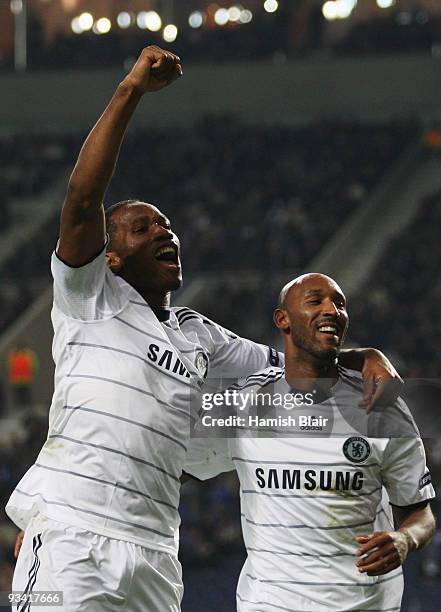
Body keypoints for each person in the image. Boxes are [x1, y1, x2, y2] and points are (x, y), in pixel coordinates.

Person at [7, 47, 402, 611]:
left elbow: (292, 368)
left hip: (156, 552)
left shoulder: (200, 336)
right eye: (143, 228)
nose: (165, 232)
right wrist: (130, 92)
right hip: (72, 533)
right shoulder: (88, 298)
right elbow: (81, 199)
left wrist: (362, 355)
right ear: (110, 257)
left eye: (168, 225)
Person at [185, 273, 436, 612]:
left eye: (340, 303)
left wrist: (404, 539)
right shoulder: (245, 402)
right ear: (282, 319)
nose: (332, 309)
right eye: (316, 300)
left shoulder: (382, 408)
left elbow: (420, 513)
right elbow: (172, 465)